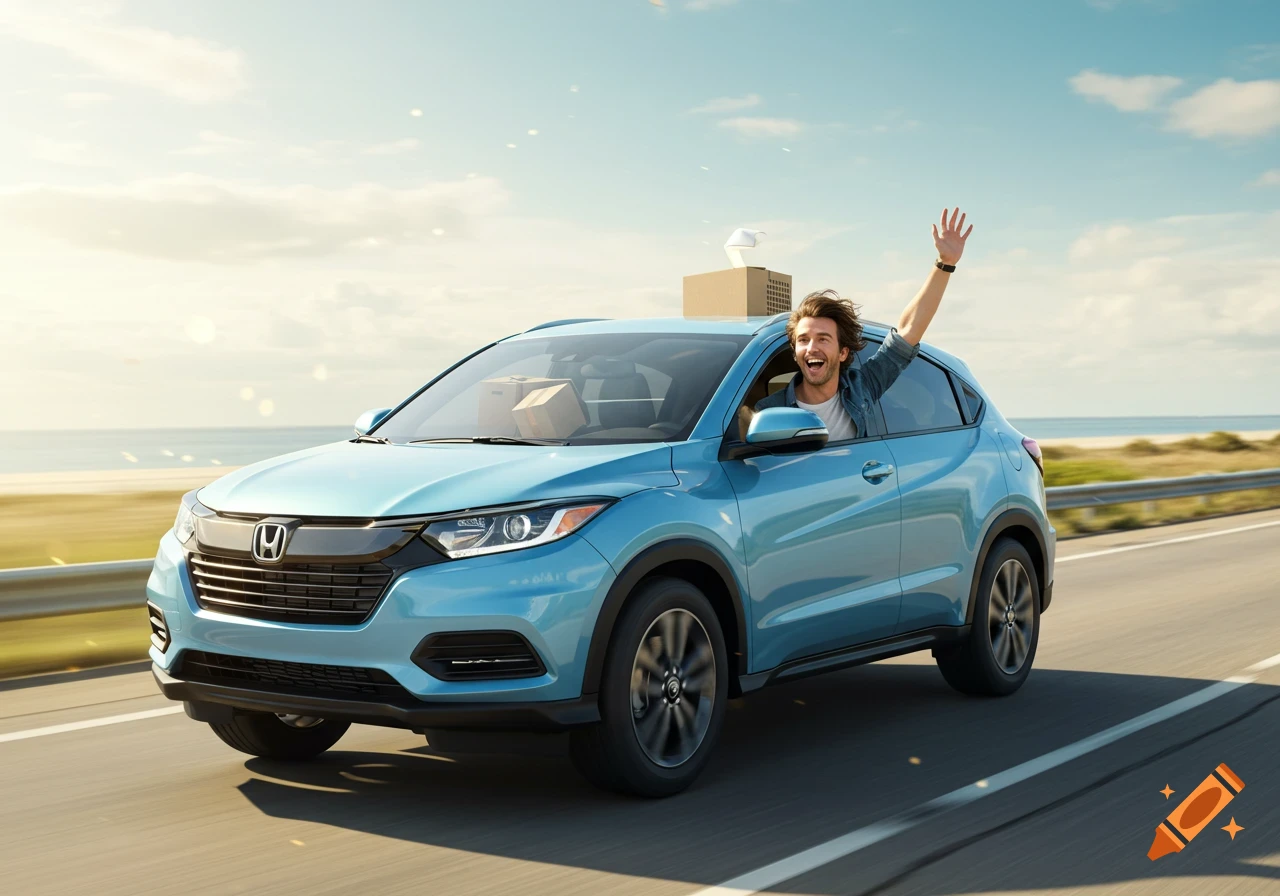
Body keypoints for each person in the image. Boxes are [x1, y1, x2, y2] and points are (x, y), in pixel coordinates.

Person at [753, 207, 973, 441]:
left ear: (843, 352)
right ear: (796, 353)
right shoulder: (768, 412)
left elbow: (907, 333)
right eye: (803, 340)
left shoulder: (862, 389)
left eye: (823, 339)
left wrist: (944, 264)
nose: (811, 347)